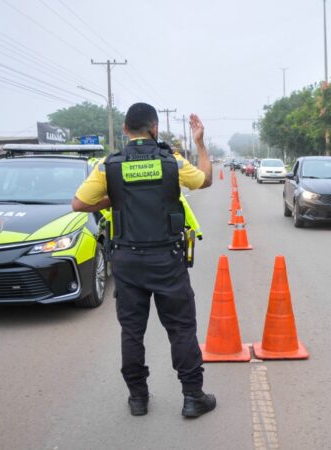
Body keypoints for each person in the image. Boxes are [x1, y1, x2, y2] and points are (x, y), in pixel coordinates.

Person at [71, 103, 215, 418]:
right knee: (181, 328)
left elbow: (79, 203)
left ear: (125, 129)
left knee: (132, 331)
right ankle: (193, 397)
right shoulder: (172, 160)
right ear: (155, 128)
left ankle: (138, 398)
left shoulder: (109, 165)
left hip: (127, 260)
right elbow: (205, 180)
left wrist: (115, 199)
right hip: (167, 259)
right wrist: (200, 143)